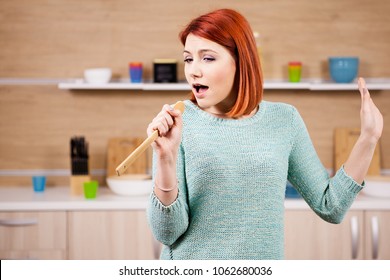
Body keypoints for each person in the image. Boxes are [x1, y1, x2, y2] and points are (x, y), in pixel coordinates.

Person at [146, 8, 383, 260]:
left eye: (207, 58)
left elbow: (331, 206)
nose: (193, 71)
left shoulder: (284, 120)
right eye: (188, 59)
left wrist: (368, 138)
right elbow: (167, 233)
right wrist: (165, 159)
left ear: (242, 61)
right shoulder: (177, 123)